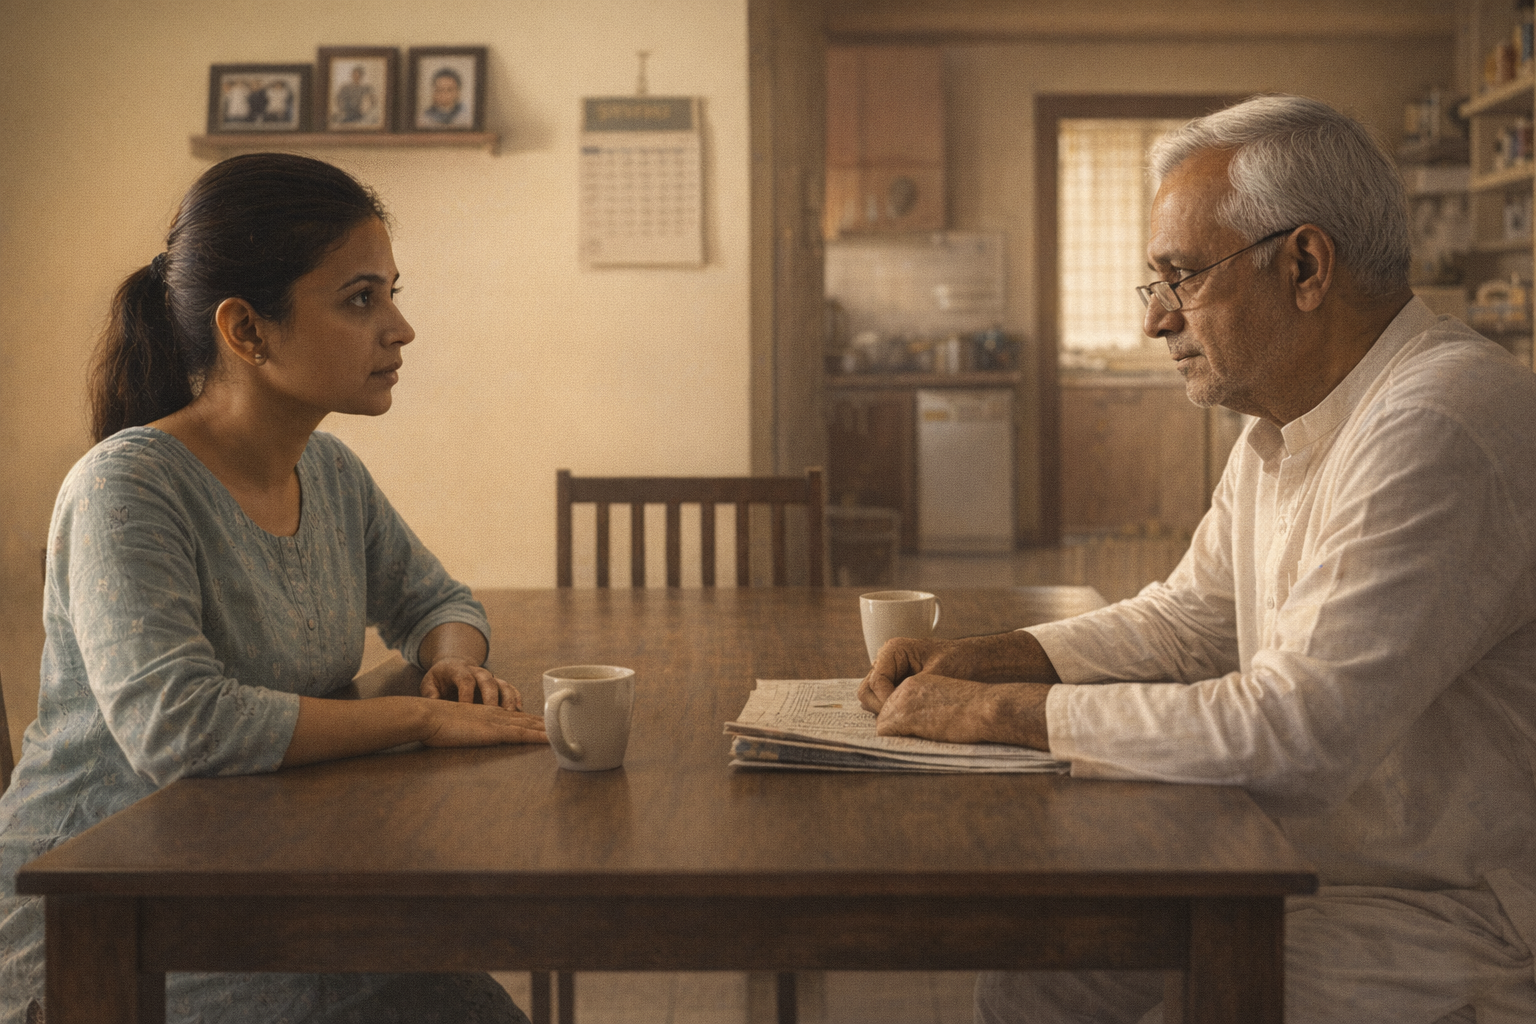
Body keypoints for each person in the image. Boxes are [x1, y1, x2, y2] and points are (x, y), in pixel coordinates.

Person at [860, 95, 1536, 1023]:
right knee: (1037, 971)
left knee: (1178, 997)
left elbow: (1296, 734)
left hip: (1453, 909)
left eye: (1180, 278)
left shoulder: (1438, 419)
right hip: (1309, 860)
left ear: (1305, 265)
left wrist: (995, 713)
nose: (1156, 321)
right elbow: (1186, 622)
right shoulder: (1291, 422)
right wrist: (991, 654)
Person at [0, 153, 548, 1024]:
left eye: (392, 293)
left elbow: (440, 601)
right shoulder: (126, 487)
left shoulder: (327, 470)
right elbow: (179, 727)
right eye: (361, 298)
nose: (400, 328)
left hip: (260, 877)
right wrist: (421, 715)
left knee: (467, 1001)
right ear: (247, 331)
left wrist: (452, 666)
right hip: (109, 930)